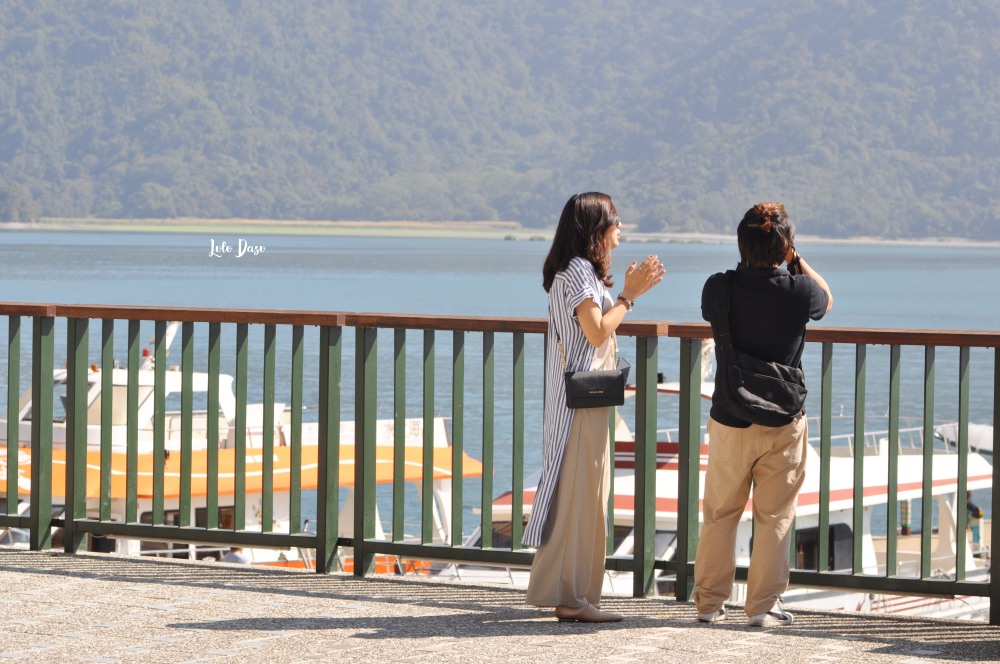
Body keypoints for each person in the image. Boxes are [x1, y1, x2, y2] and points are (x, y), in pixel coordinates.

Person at [524, 192, 665, 623]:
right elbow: (597, 331)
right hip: (581, 408)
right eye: (615, 220)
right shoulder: (578, 273)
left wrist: (622, 293)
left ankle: (576, 593)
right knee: (580, 499)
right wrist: (628, 295)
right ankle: (569, 596)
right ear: (595, 229)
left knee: (585, 498)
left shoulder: (576, 272)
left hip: (583, 403)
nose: (621, 227)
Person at [692, 202, 833, 627]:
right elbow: (827, 297)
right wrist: (798, 258)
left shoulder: (718, 288)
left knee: (720, 513)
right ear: (785, 246)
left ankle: (709, 605)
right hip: (783, 422)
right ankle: (762, 608)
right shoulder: (800, 292)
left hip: (730, 416)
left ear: (741, 243)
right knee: (774, 516)